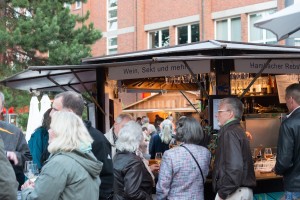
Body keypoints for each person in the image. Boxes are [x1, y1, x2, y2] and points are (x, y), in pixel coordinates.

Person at [21, 111, 102, 200]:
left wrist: (27, 190)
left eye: (51, 127)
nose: (48, 130)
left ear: (60, 132)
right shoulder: (86, 157)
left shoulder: (59, 163)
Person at [50, 91, 113, 200]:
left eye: (55, 109)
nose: (50, 113)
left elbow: (106, 181)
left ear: (69, 112)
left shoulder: (97, 139)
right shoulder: (57, 135)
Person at [156, 117, 211, 199]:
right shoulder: (206, 153)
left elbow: (162, 187)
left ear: (180, 132)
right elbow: (205, 175)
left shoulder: (170, 155)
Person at [212, 97, 256, 200]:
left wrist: (222, 193)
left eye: (219, 111)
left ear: (230, 113)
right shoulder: (238, 130)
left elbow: (235, 168)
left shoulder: (229, 132)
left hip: (233, 193)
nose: (216, 115)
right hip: (239, 191)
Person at [113, 121, 153, 200]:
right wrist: (148, 198)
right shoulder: (133, 161)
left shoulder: (118, 155)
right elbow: (133, 193)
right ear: (137, 139)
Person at [0, 91, 32, 189]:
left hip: (7, 190)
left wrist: (14, 156)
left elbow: (28, 160)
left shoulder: (13, 131)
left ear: (1, 108)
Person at [275, 83, 300, 199]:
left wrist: (277, 169)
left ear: (290, 99)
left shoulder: (288, 123)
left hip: (295, 185)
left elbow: (284, 160)